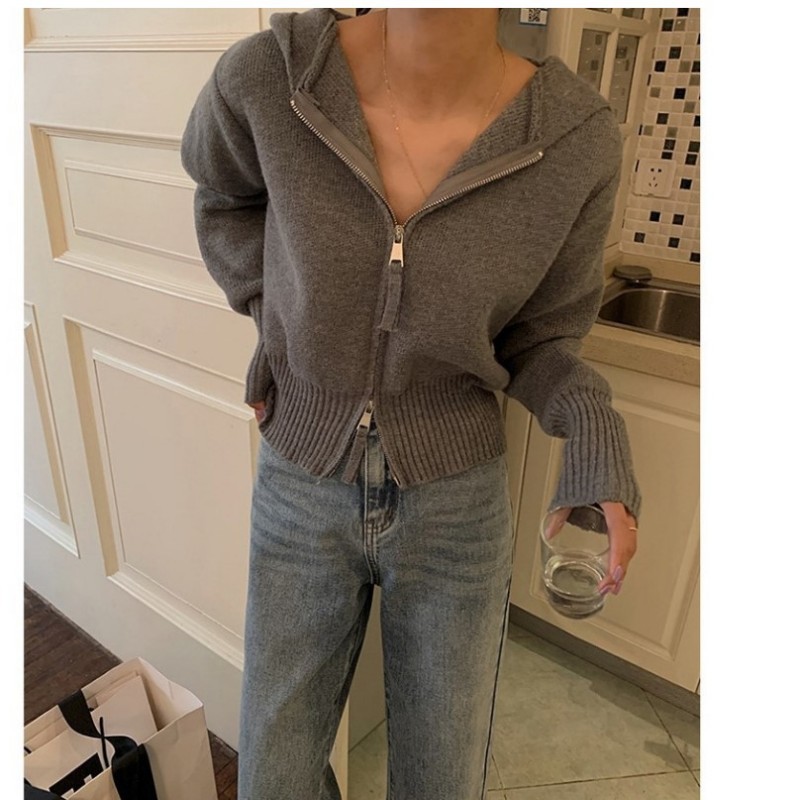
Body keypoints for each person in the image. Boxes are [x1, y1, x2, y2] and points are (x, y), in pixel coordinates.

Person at [180, 8, 640, 799]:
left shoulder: (576, 140)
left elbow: (543, 338)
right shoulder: (270, 77)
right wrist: (279, 325)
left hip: (456, 509)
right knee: (273, 779)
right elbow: (223, 198)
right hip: (300, 486)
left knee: (441, 782)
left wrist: (592, 426)